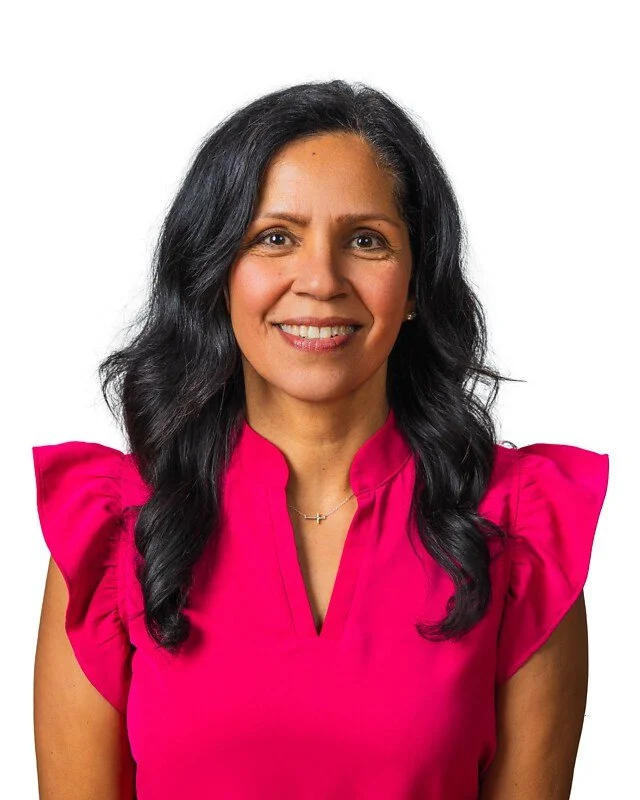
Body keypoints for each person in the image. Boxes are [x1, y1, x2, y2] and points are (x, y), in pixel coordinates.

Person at [32, 80, 609, 799]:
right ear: (217, 271)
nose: (320, 280)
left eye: (365, 240)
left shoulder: (523, 530)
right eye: (276, 238)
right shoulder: (111, 531)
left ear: (418, 282)